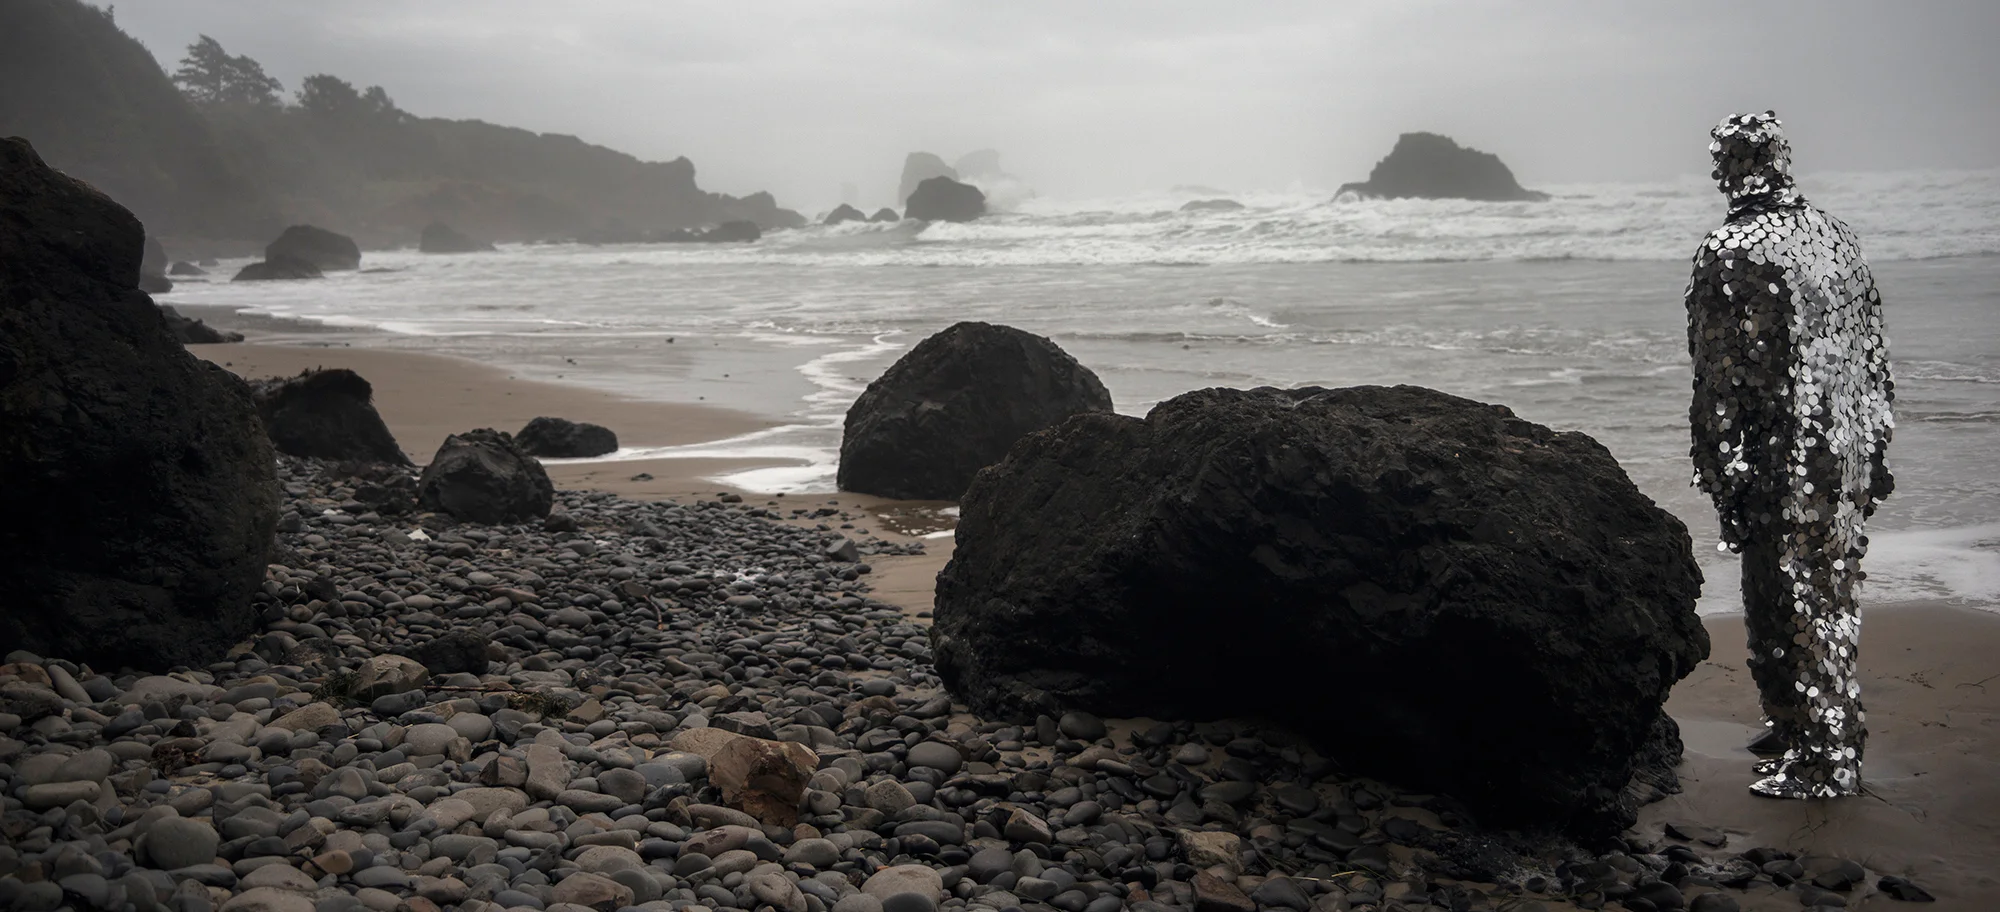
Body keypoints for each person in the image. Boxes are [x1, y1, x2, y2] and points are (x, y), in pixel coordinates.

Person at [1684, 111, 1895, 799]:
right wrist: (1878, 442)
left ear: (1724, 168)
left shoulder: (1731, 249)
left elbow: (1719, 378)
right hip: (1849, 443)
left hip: (1783, 451)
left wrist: (1723, 473)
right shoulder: (1835, 235)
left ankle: (1824, 756)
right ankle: (1802, 723)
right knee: (1827, 589)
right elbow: (1873, 351)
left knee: (1788, 597)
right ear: (1783, 157)